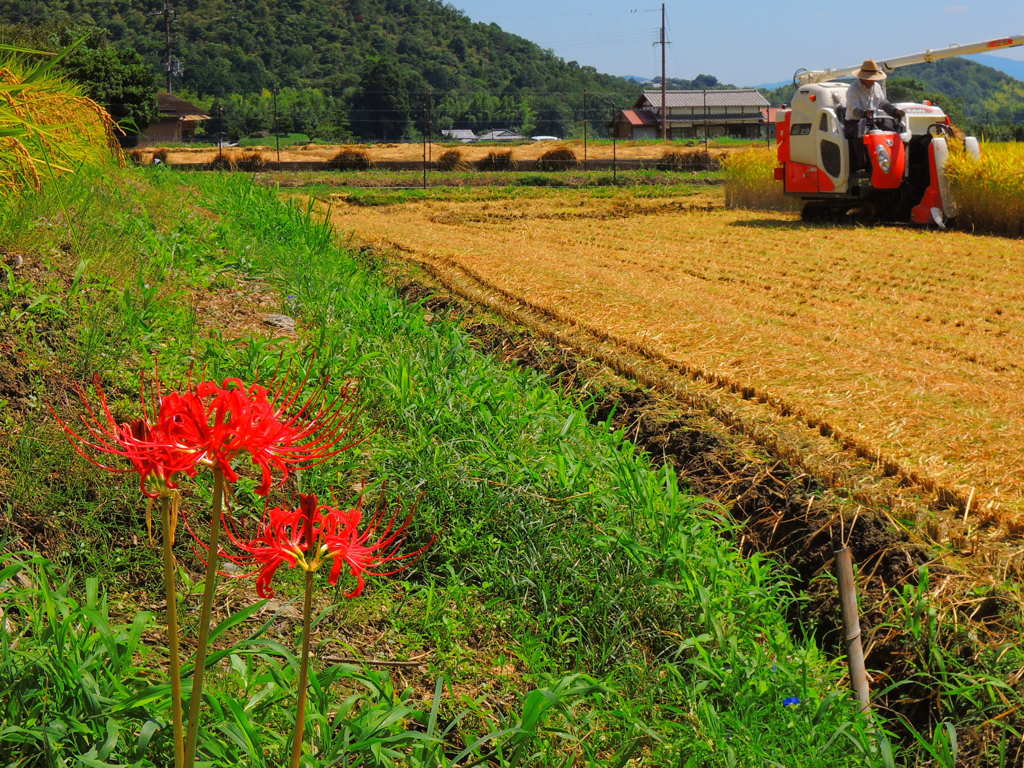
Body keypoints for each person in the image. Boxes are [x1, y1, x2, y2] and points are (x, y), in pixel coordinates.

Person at [844, 59, 905, 172]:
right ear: (862, 78)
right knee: (861, 129)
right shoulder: (853, 89)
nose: (872, 81)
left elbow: (883, 103)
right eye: (870, 79)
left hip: (873, 120)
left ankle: (895, 159)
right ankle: (862, 165)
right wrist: (864, 113)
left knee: (893, 126)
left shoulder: (876, 87)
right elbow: (854, 111)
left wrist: (894, 111)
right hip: (854, 122)